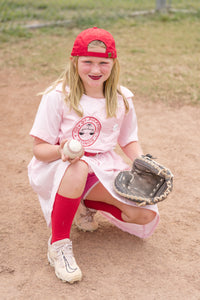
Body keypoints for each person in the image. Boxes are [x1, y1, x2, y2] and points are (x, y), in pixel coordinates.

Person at [28, 27, 160, 284]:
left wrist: (141, 162)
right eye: (87, 62)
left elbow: (128, 140)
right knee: (78, 168)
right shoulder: (58, 96)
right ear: (74, 61)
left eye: (103, 62)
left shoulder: (122, 98)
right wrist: (61, 150)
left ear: (114, 63)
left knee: (144, 215)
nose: (95, 69)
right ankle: (59, 244)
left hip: (102, 165)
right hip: (60, 165)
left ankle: (83, 205)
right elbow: (39, 149)